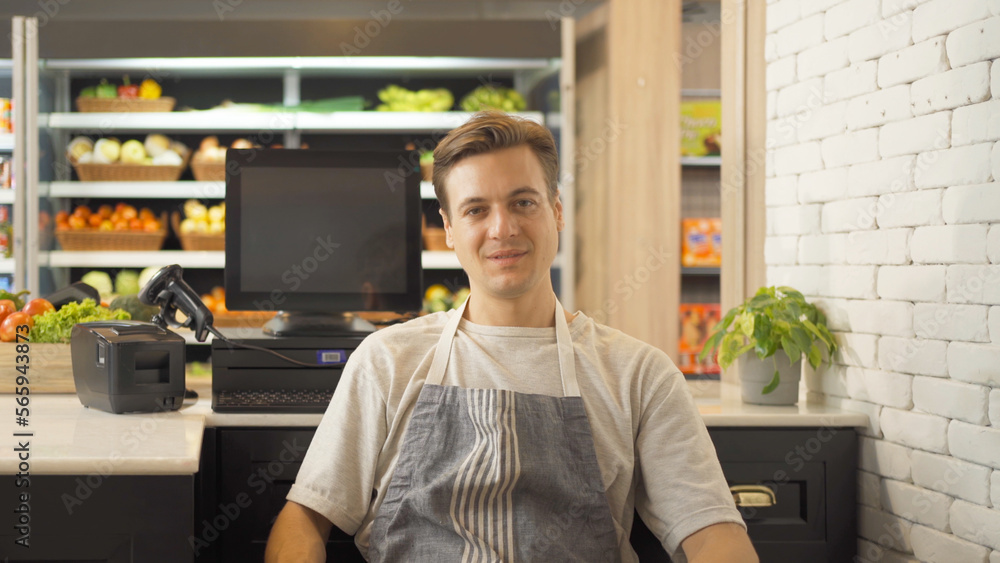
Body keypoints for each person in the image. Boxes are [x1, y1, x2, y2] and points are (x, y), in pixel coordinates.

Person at [265, 111, 758, 563]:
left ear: (557, 212)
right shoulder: (386, 359)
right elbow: (303, 521)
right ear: (450, 229)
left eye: (523, 202)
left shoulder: (639, 375)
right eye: (476, 210)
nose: (503, 228)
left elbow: (715, 536)